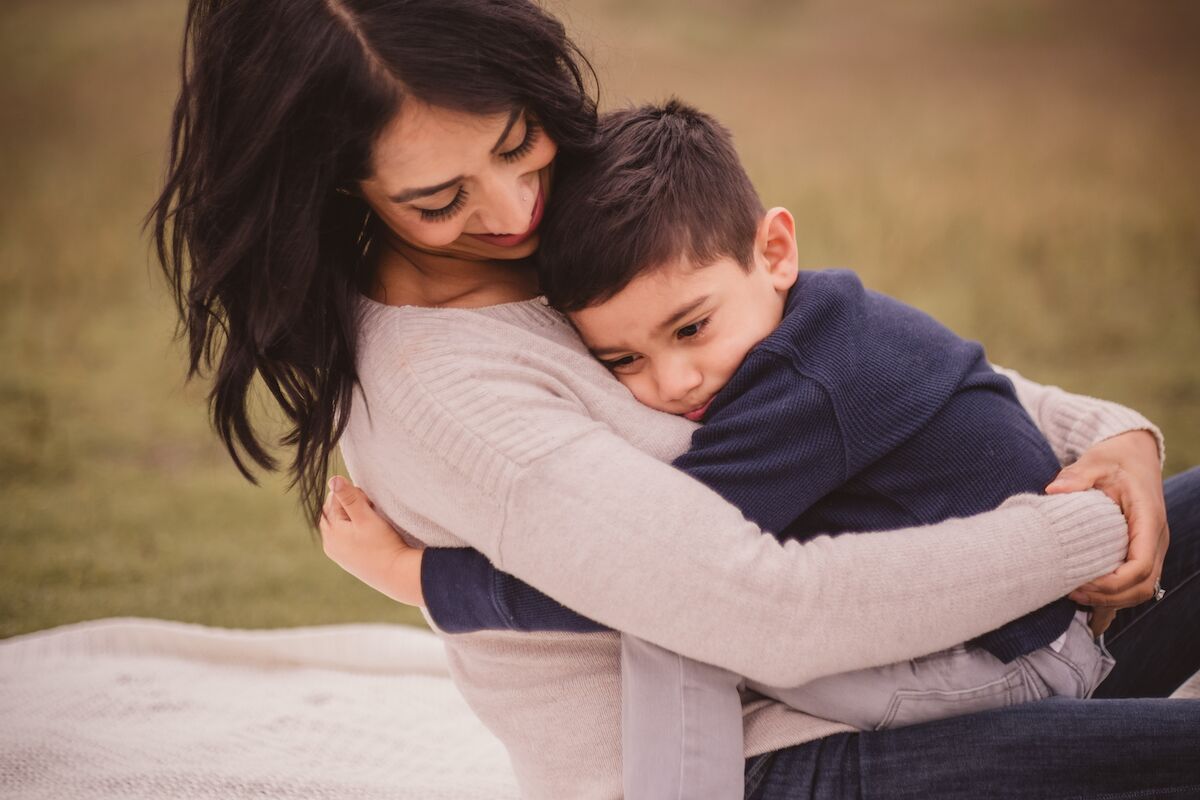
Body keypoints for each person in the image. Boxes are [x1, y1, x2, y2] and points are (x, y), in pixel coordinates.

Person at [151, 1, 1200, 798]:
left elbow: (846, 362)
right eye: (437, 199)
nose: (514, 208)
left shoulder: (564, 226)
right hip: (751, 757)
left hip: (939, 649)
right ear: (344, 190)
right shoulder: (453, 396)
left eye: (516, 142)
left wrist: (1113, 440)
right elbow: (765, 609)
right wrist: (1082, 532)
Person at [320, 99, 1125, 799]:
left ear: (774, 253)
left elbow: (653, 582)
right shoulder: (805, 322)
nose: (673, 382)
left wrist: (419, 575)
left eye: (514, 145)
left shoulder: (791, 379)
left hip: (1006, 654)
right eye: (622, 362)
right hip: (755, 756)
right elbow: (678, 581)